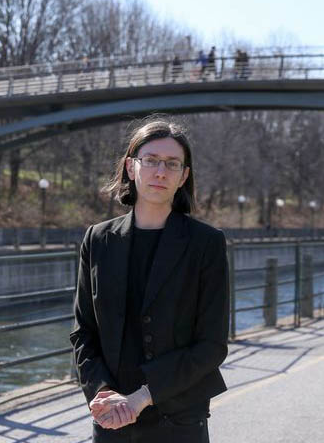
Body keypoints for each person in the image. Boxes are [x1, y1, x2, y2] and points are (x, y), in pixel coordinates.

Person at [70, 117, 230, 442]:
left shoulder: (206, 244)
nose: (160, 171)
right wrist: (102, 394)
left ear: (184, 175)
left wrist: (142, 397)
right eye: (151, 160)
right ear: (131, 167)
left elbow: (212, 346)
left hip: (179, 419)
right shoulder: (98, 240)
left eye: (172, 164)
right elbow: (84, 332)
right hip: (113, 418)